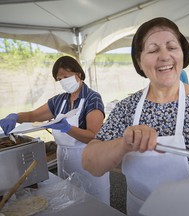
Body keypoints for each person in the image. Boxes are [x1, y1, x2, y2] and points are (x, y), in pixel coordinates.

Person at [82, 17, 189, 215]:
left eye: (172, 47)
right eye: (153, 50)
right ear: (139, 61)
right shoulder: (127, 108)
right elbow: (91, 163)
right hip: (140, 209)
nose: (164, 56)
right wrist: (124, 143)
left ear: (183, 54)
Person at [0, 56, 110, 205]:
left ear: (78, 73)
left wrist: (67, 128)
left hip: (90, 160)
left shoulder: (92, 98)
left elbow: (94, 136)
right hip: (65, 159)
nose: (63, 81)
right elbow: (33, 115)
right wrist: (15, 116)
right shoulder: (59, 101)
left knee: (95, 204)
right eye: (59, 79)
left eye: (66, 76)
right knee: (71, 202)